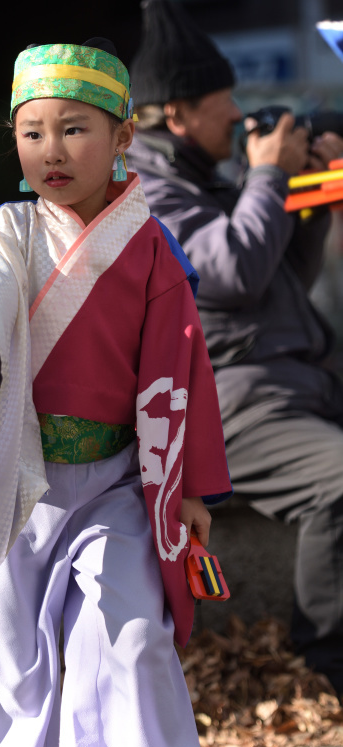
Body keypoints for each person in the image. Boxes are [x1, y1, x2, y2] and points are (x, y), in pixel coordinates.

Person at [0, 38, 232, 747]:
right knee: (8, 655)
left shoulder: (150, 245)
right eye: (32, 131)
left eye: (74, 128)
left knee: (131, 630)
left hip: (116, 481)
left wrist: (193, 490)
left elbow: (184, 371)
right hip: (19, 469)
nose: (52, 150)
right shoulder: (3, 232)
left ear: (122, 135)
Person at [127, 0, 343, 697]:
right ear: (178, 112)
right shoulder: (145, 194)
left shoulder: (209, 179)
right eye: (226, 105)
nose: (241, 119)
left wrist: (312, 198)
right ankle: (326, 667)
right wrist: (268, 176)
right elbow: (230, 273)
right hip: (228, 402)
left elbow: (281, 279)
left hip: (296, 383)